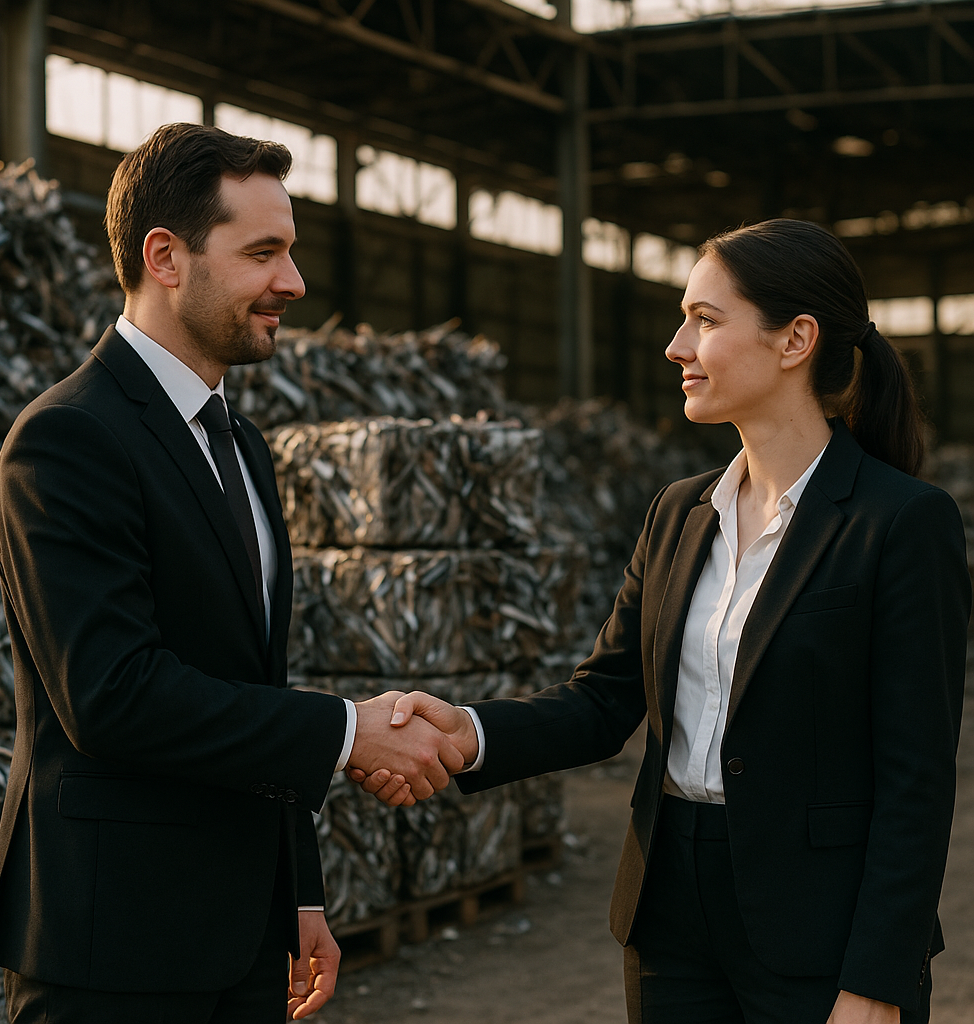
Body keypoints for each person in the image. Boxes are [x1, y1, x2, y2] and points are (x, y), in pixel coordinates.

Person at [354, 219, 971, 1024]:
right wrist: (466, 734)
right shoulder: (680, 514)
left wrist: (877, 982)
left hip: (818, 923)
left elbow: (915, 780)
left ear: (796, 340)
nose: (678, 345)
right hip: (671, 909)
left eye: (706, 320)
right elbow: (603, 701)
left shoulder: (900, 523)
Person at [0, 122, 467, 1024]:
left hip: (240, 934)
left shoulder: (240, 444)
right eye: (264, 253)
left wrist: (298, 889)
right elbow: (113, 696)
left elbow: (249, 682)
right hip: (112, 945)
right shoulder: (68, 439)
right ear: (166, 257)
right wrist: (349, 732)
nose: (294, 282)